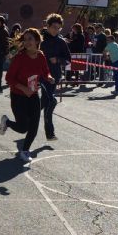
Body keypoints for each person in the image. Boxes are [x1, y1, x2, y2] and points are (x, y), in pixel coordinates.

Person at [0, 28, 54, 163]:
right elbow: (9, 78)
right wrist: (24, 88)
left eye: (30, 39)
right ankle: (7, 122)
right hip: (18, 96)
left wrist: (49, 77)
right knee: (23, 127)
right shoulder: (20, 57)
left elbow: (45, 71)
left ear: (37, 41)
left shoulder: (40, 56)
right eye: (25, 39)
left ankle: (25, 151)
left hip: (33, 95)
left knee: (34, 126)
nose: (27, 42)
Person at [40, 13, 71, 141]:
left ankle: (29, 118)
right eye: (54, 27)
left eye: (58, 28)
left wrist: (58, 59)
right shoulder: (39, 39)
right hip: (40, 75)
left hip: (54, 76)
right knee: (50, 101)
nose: (56, 30)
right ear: (47, 26)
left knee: (46, 101)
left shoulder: (61, 42)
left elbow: (68, 60)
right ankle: (49, 132)